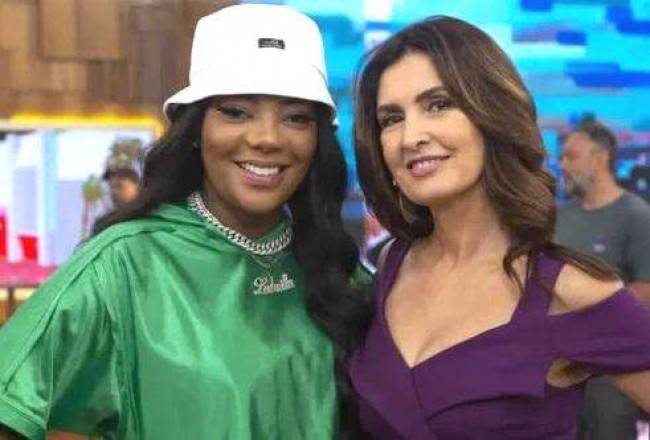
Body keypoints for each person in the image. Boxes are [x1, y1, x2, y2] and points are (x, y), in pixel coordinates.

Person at [0, 4, 370, 439]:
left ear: (317, 138)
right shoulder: (125, 264)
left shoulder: (336, 272)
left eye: (296, 117)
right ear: (195, 129)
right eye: (236, 111)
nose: (267, 138)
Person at [349, 15, 650, 439]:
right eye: (391, 119)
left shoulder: (568, 290)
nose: (410, 136)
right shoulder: (392, 263)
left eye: (438, 104)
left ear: (492, 115)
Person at [557, 116, 650, 440]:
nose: (562, 165)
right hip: (559, 371)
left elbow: (647, 288)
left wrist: (584, 304)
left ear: (600, 159)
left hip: (612, 377)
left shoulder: (636, 216)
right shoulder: (558, 217)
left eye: (571, 157)